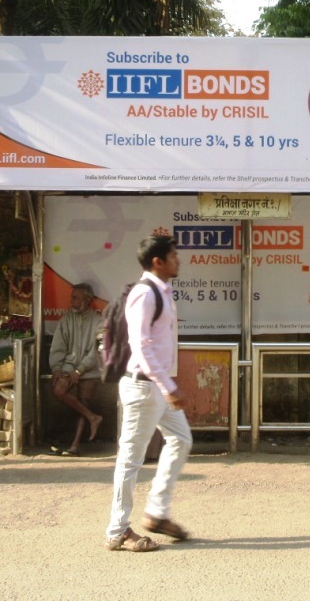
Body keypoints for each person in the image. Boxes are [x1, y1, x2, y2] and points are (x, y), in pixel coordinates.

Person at [106, 235, 192, 553]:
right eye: (173, 255)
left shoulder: (162, 292)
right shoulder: (145, 294)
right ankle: (117, 531)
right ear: (158, 262)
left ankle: (156, 513)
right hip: (144, 385)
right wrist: (169, 387)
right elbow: (141, 347)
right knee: (130, 459)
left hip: (157, 385)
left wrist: (167, 385)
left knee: (181, 439)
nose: (177, 260)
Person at [47, 283, 104, 456]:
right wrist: (57, 368)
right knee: (59, 390)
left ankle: (75, 445)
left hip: (90, 368)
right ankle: (93, 417)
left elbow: (97, 351)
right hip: (68, 367)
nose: (71, 301)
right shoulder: (67, 319)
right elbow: (58, 346)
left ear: (86, 300)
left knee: (84, 398)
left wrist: (80, 371)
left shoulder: (98, 321)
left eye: (75, 298)